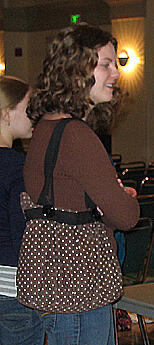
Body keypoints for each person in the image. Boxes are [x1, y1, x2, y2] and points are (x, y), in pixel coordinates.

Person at [19, 23, 139, 345]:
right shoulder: (76, 135)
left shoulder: (45, 128)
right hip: (79, 290)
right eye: (105, 64)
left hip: (56, 285)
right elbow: (126, 216)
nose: (115, 74)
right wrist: (125, 196)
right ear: (76, 70)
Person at [0, 76, 44, 345]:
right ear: (6, 113)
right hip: (13, 291)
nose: (34, 116)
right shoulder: (17, 167)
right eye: (29, 107)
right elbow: (25, 238)